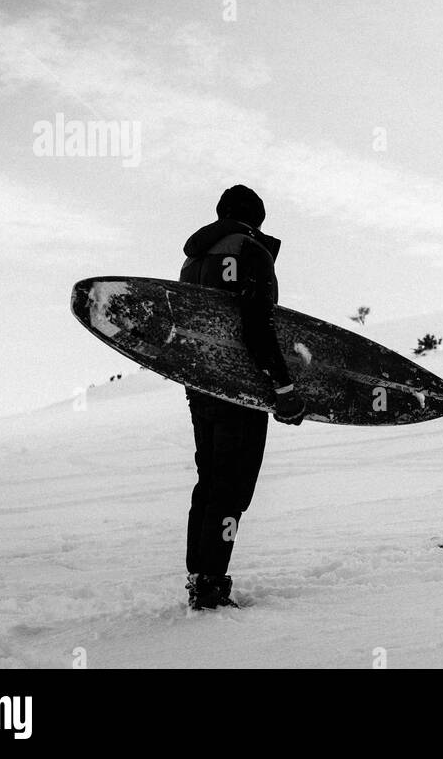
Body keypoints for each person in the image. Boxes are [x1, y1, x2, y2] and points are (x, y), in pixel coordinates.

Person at [178, 185, 306, 610]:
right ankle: (212, 584)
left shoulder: (192, 261)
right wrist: (283, 389)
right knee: (232, 490)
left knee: (210, 482)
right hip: (241, 390)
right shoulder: (250, 250)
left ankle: (200, 574)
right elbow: (256, 324)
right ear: (258, 218)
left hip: (202, 389)